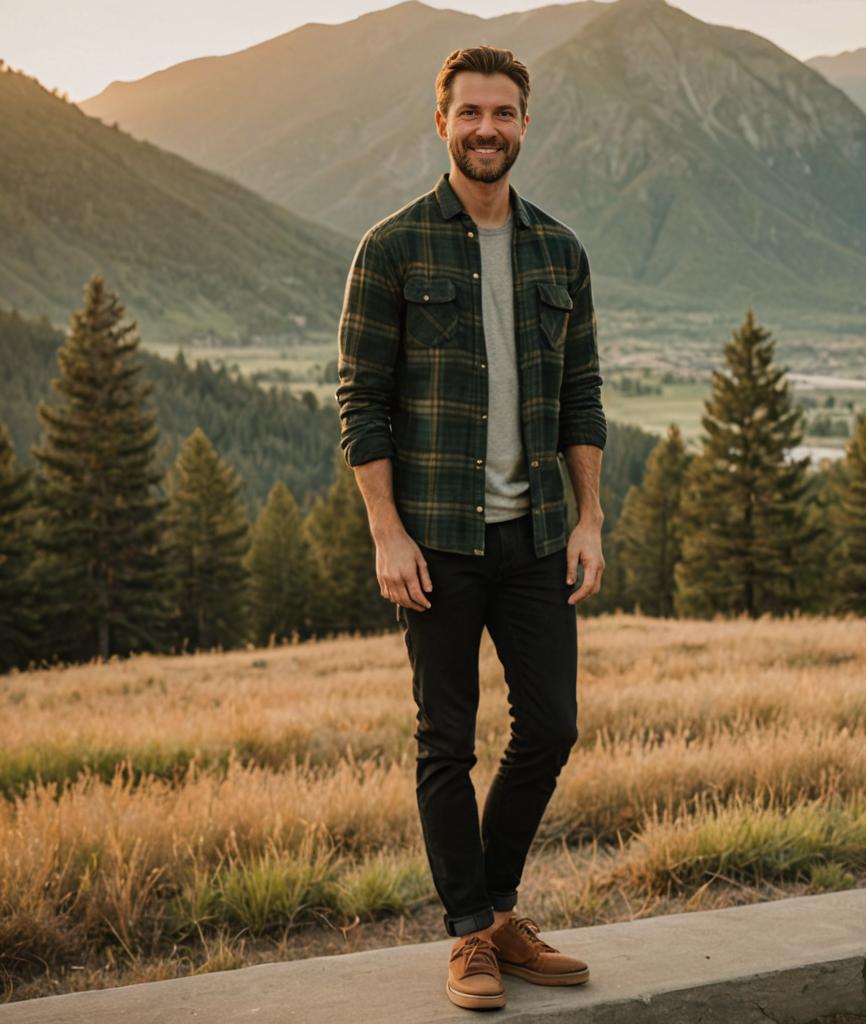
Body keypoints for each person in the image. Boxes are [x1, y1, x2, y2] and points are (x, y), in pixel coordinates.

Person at [335, 43, 607, 1011]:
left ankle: (491, 911)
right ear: (441, 122)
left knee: (553, 726)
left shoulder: (559, 251)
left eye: (503, 113)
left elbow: (581, 395)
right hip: (437, 540)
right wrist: (385, 531)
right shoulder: (393, 248)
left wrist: (588, 519)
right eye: (470, 113)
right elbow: (360, 401)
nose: (486, 128)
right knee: (444, 737)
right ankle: (468, 934)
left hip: (535, 537)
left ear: (525, 125)